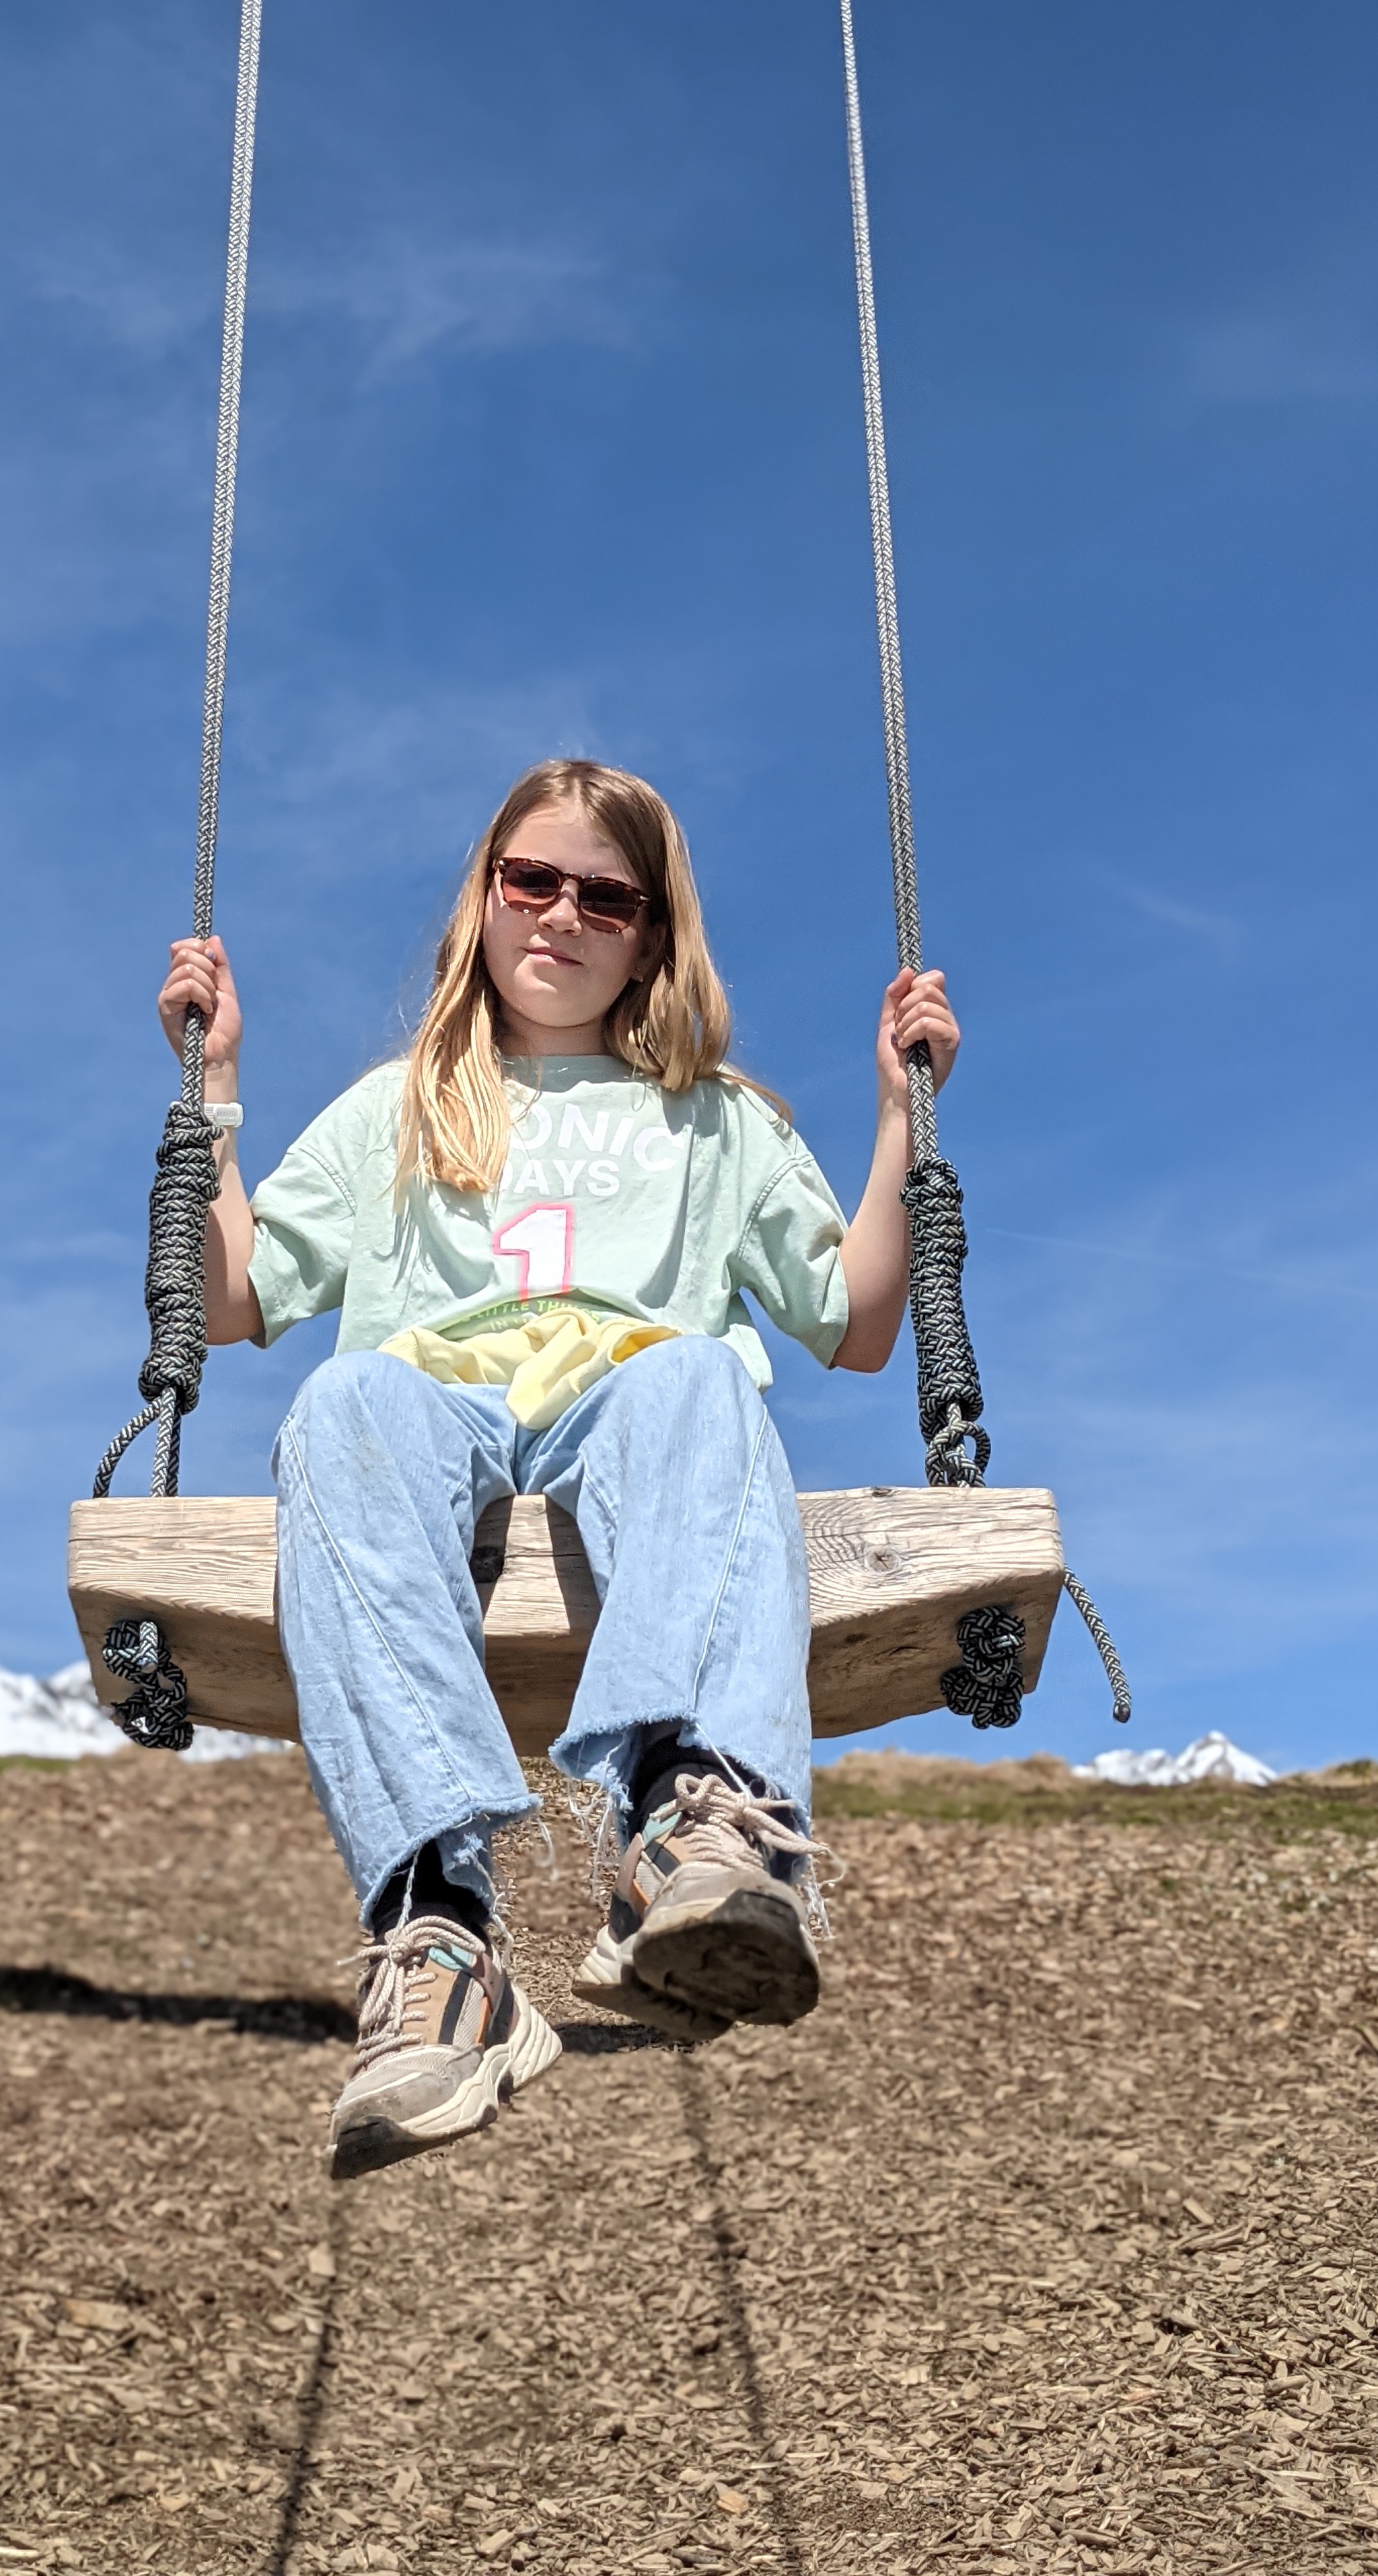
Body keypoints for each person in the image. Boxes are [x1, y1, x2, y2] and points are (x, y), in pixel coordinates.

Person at [156, 758, 958, 2179]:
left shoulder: (718, 1121)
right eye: (532, 880)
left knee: (701, 1375)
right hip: (434, 1404)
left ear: (651, 939)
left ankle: (699, 1826)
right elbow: (231, 1298)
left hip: (632, 1408)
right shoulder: (396, 1109)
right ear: (485, 898)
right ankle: (442, 1939)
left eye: (608, 898)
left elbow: (856, 1322)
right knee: (343, 1400)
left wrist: (905, 1116)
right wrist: (209, 1091)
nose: (564, 915)